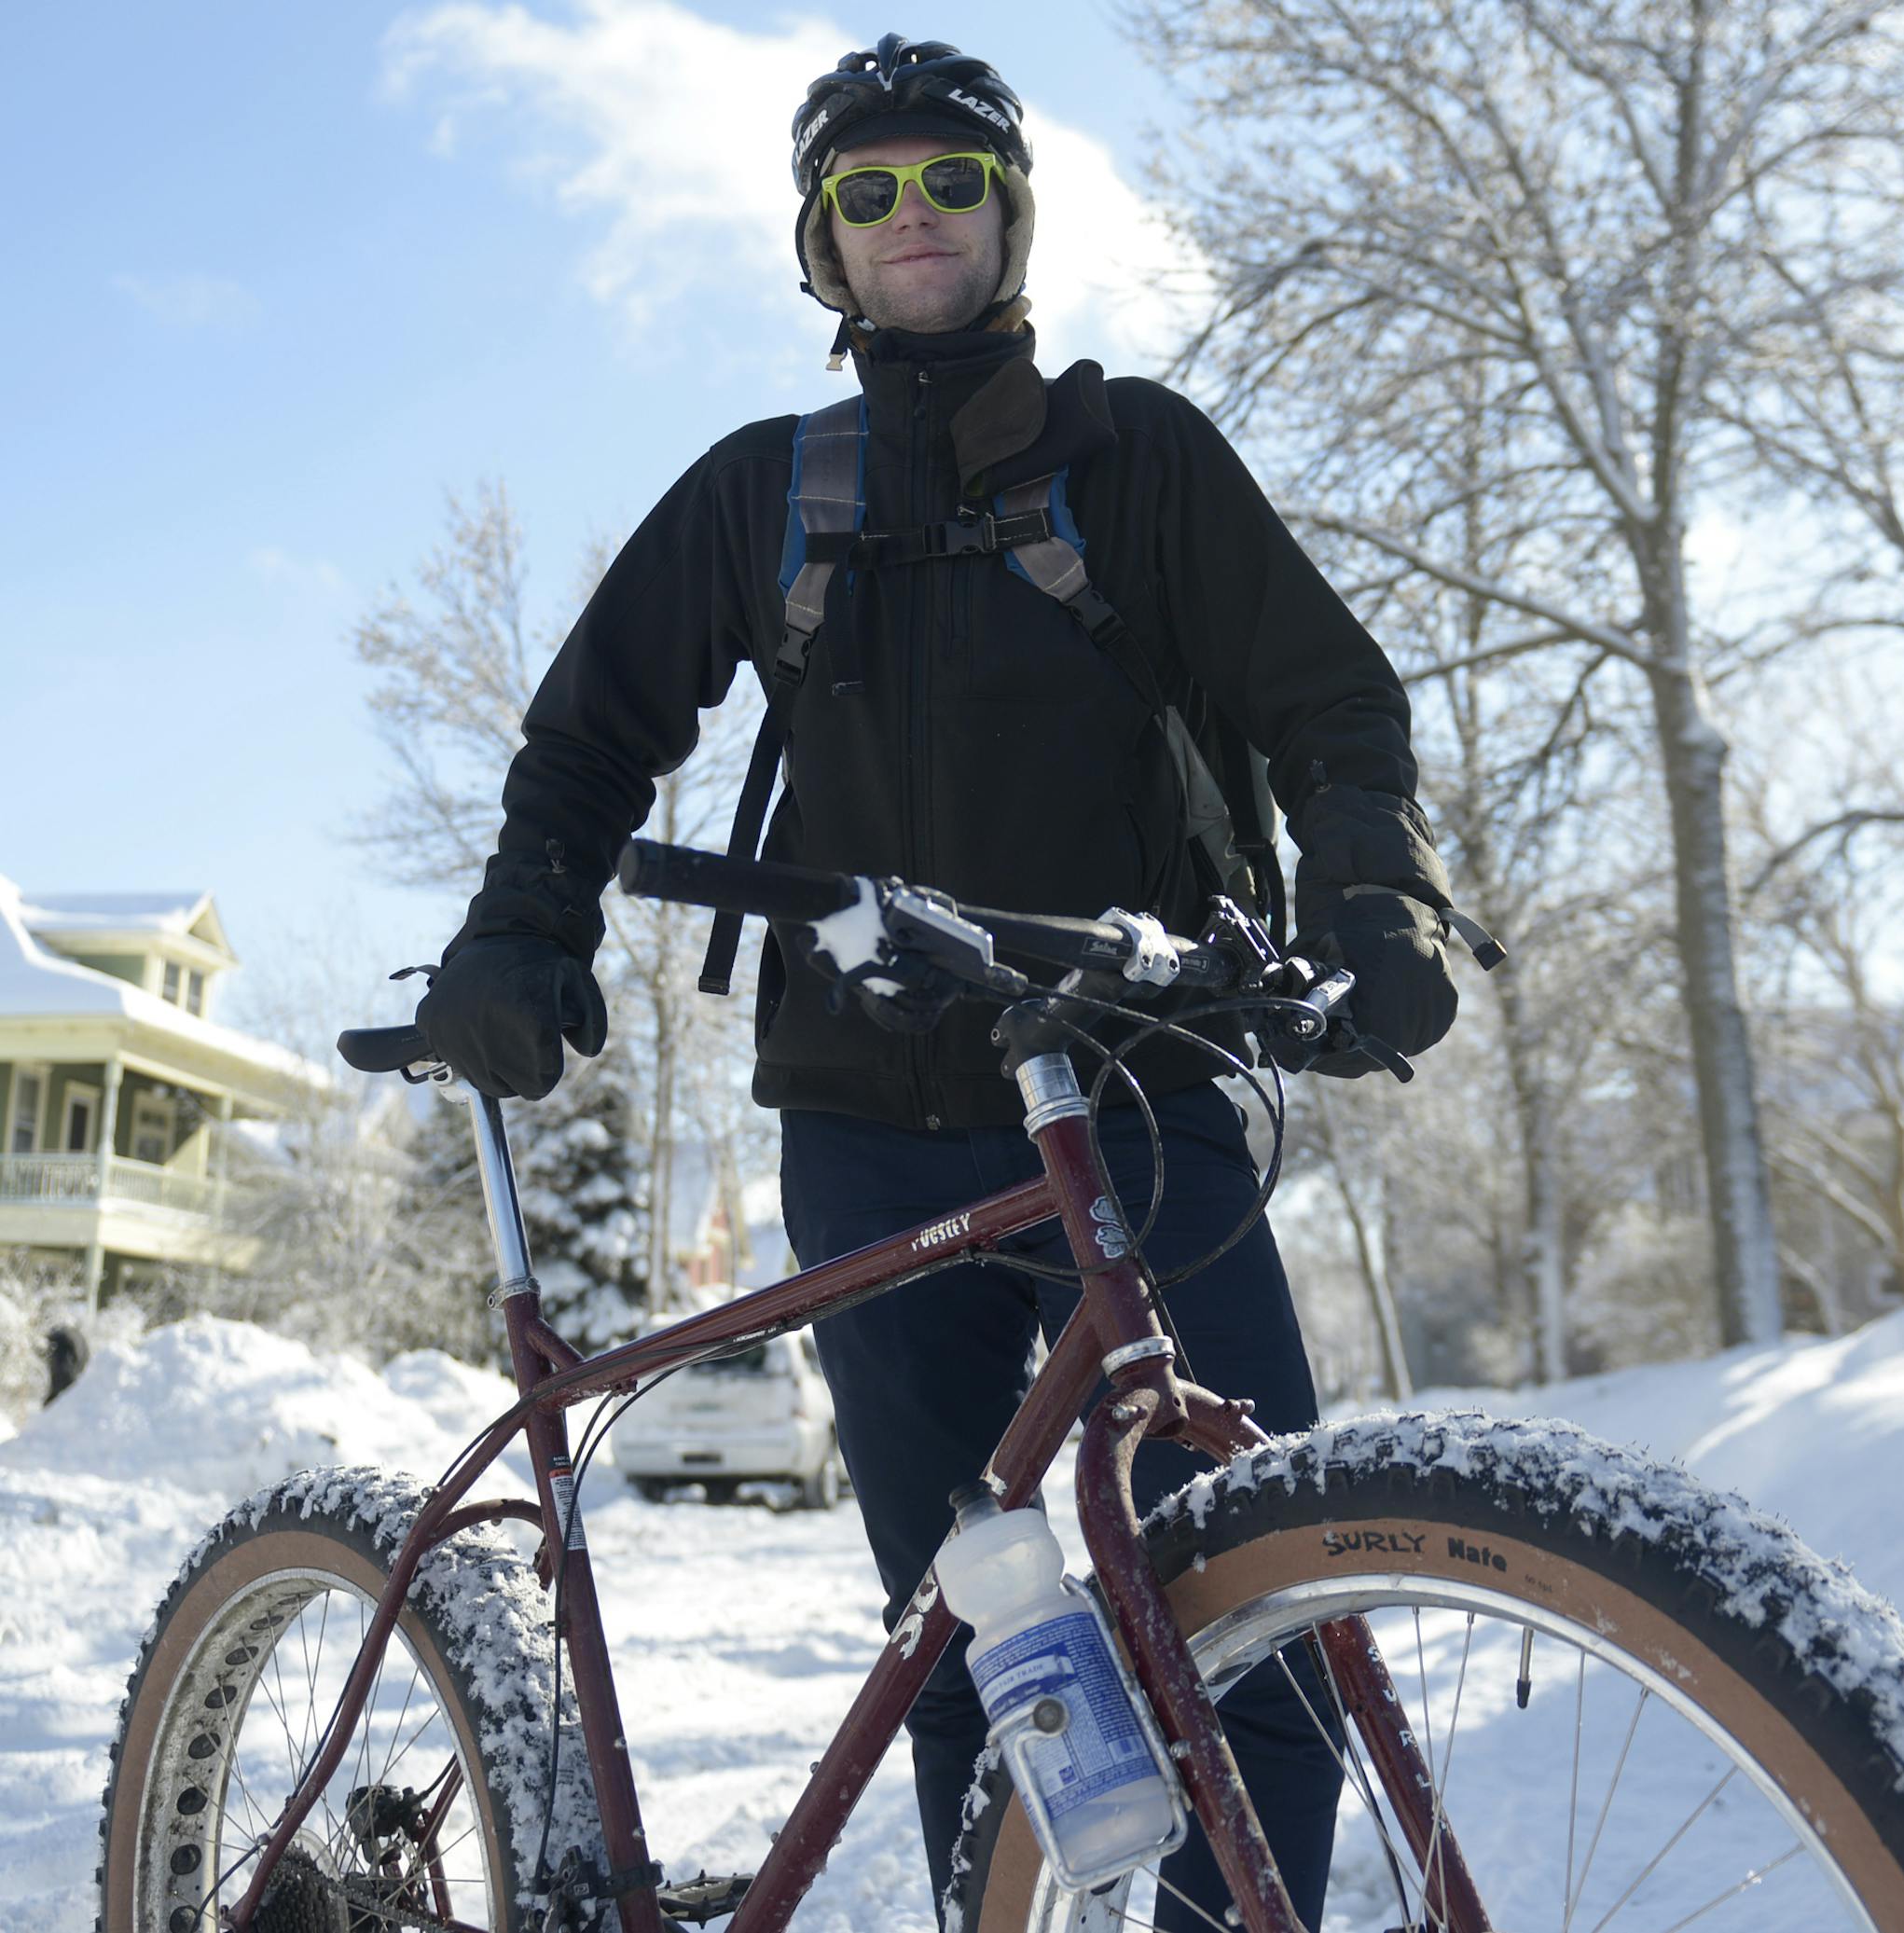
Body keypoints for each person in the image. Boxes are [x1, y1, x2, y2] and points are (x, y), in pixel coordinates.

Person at [418, 34, 1459, 1929]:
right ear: (824, 241)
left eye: (952, 181)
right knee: (973, 1645)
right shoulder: (769, 492)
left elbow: (1331, 702)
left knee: (1256, 1604)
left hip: (1137, 1098)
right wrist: (519, 927)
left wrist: (1376, 894)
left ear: (1012, 215)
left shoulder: (1137, 461)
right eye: (869, 188)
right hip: (868, 1132)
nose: (915, 214)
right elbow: (588, 735)